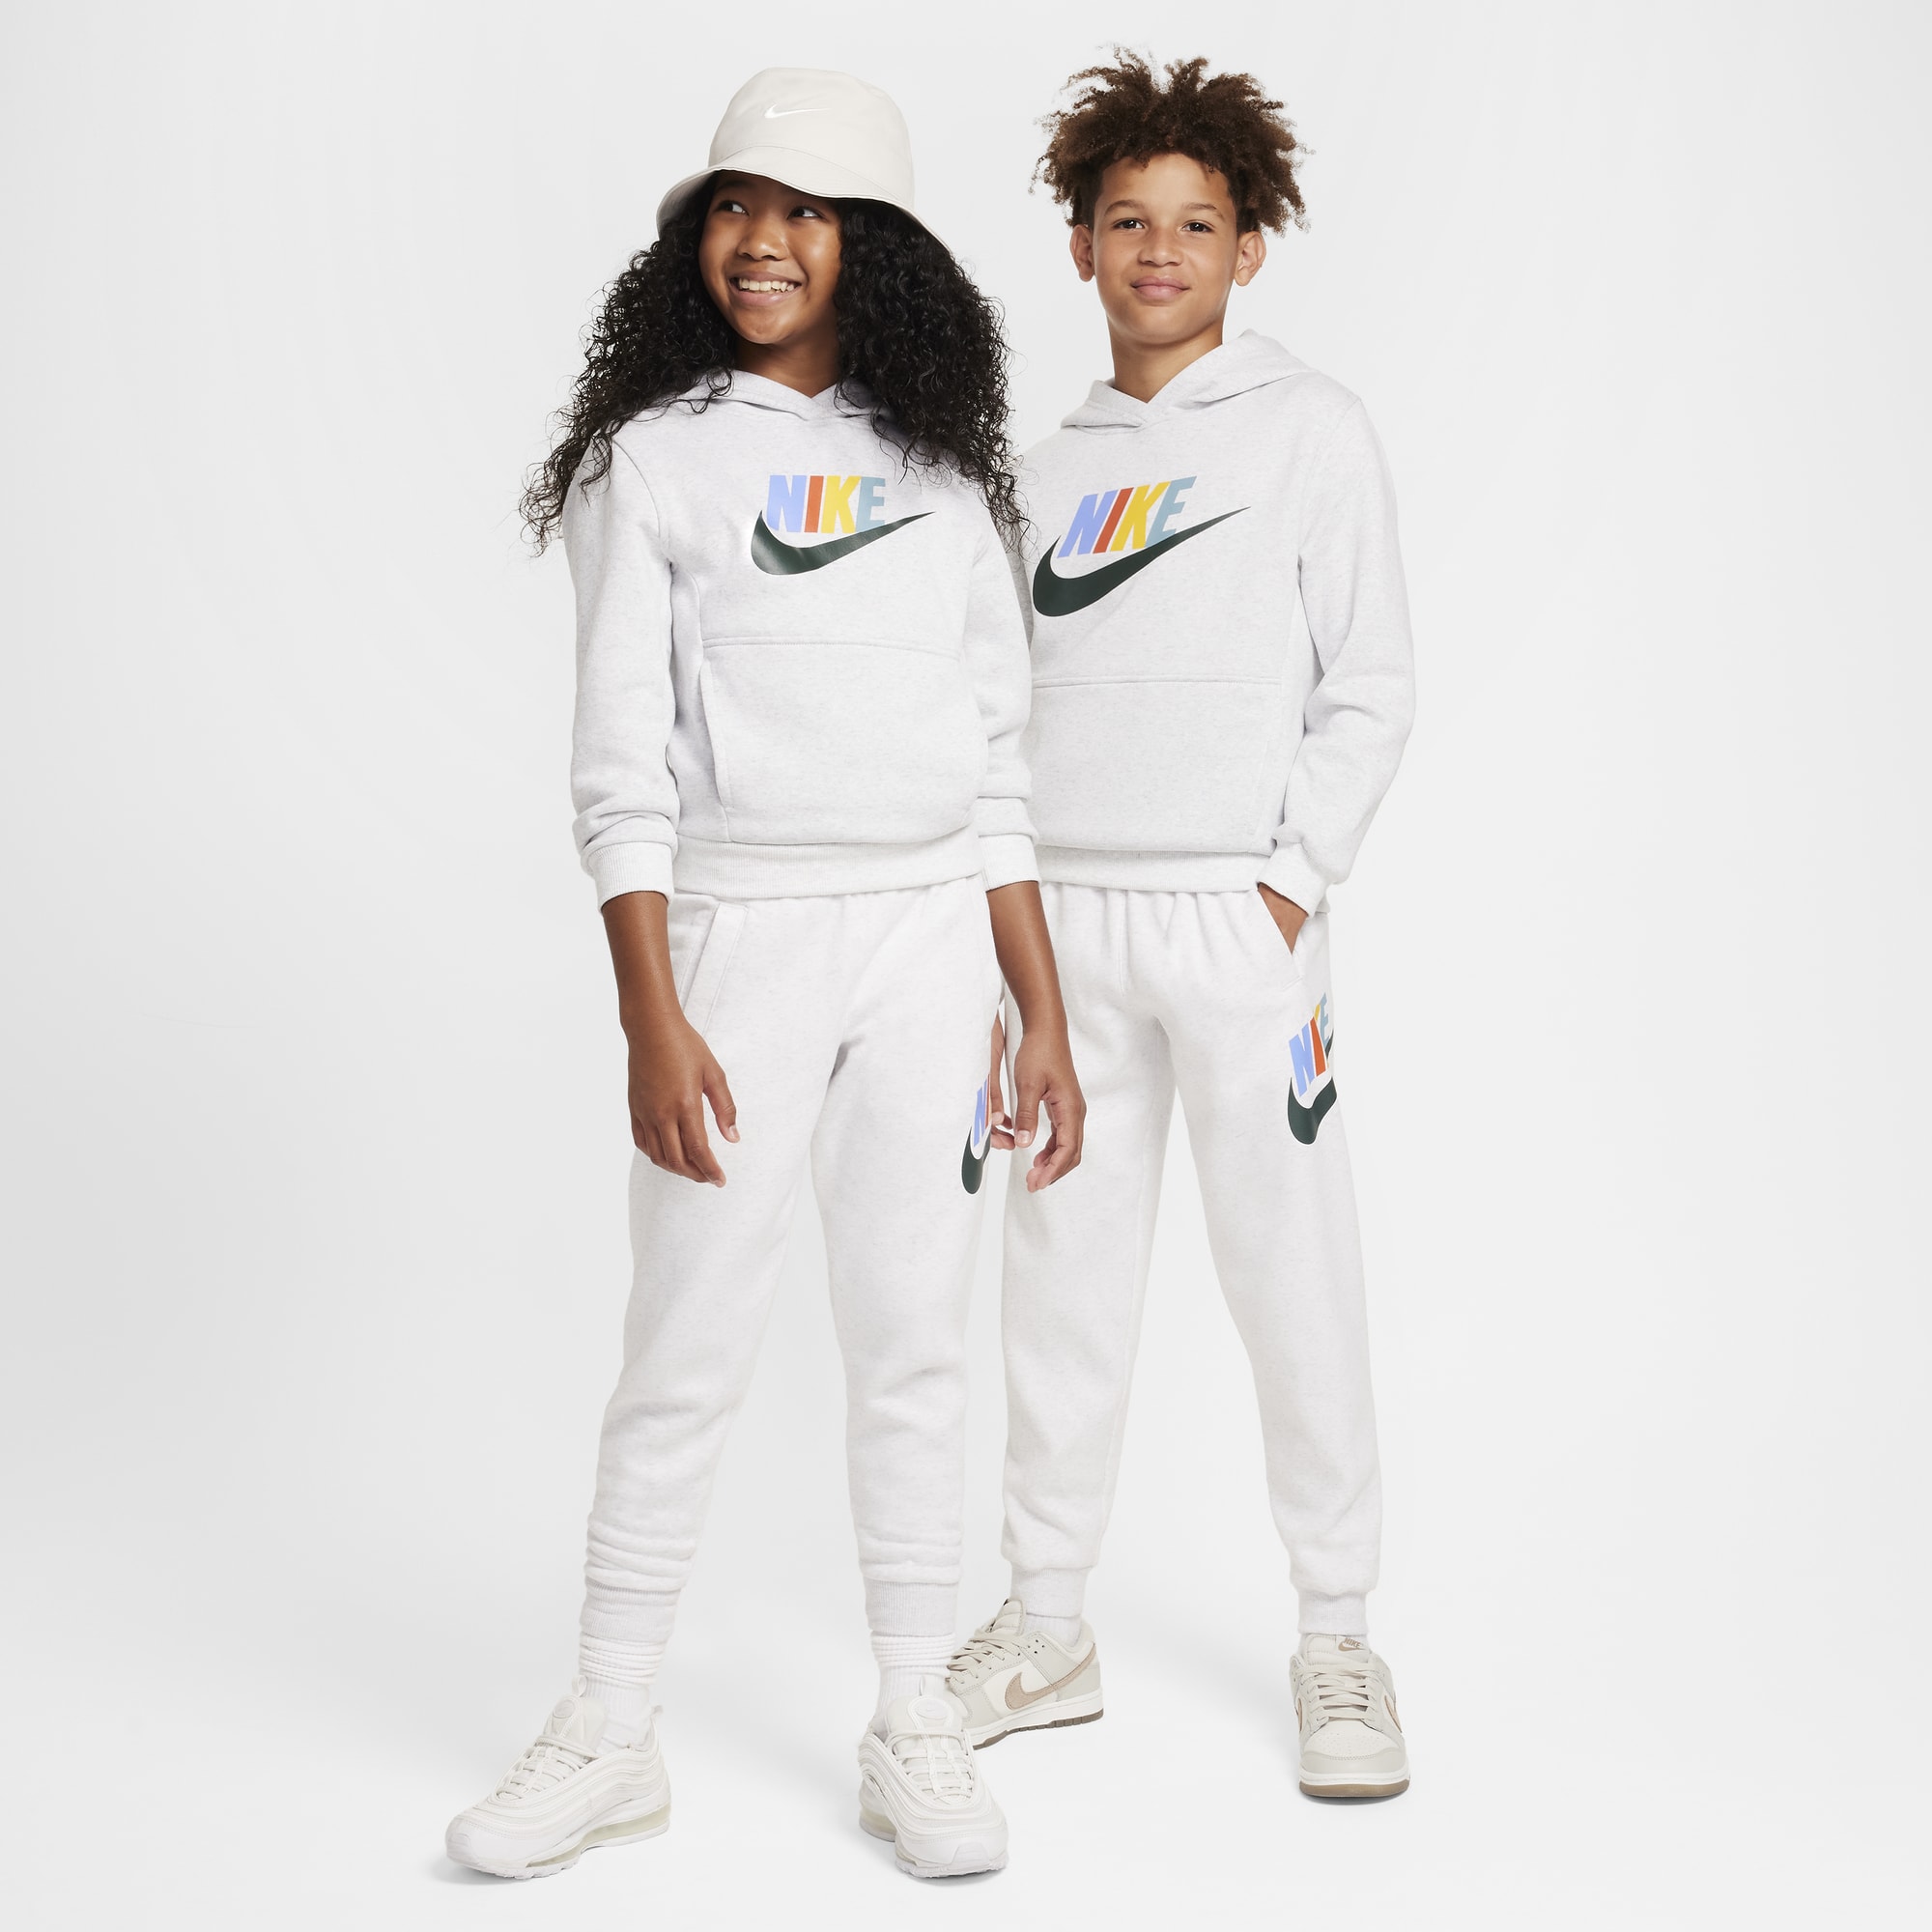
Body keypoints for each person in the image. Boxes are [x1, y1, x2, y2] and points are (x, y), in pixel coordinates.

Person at [445, 67, 1084, 1882]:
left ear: (875, 247)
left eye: (806, 210)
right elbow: (618, 771)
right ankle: (610, 1723)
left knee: (913, 1346)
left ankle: (915, 1714)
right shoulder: (653, 461)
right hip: (738, 947)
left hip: (931, 949)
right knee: (685, 1346)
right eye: (735, 203)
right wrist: (651, 1013)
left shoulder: (944, 474)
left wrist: (1037, 1005)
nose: (762, 239)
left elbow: (999, 769)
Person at [946, 53, 1416, 1800]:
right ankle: (1046, 1622)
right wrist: (1013, 943)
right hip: (1061, 939)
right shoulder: (1034, 469)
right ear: (1080, 245)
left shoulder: (1313, 431)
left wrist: (1287, 884)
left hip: (1240, 927)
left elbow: (1373, 683)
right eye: (1128, 222)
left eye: (1196, 225)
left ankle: (1339, 1633)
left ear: (1249, 246)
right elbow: (991, 711)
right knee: (1058, 1284)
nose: (1160, 252)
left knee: (1296, 1280)